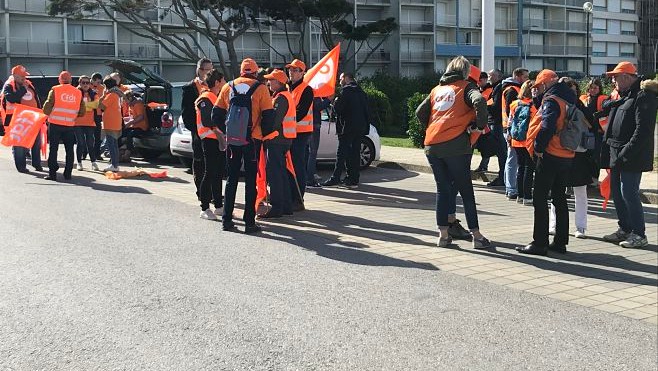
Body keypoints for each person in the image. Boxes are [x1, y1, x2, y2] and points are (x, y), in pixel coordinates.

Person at [415, 56, 492, 249]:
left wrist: (433, 126)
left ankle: (443, 236)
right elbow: (480, 102)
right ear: (466, 71)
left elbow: (419, 112)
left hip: (432, 144)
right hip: (456, 145)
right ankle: (477, 236)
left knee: (443, 190)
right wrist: (479, 126)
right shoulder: (466, 87)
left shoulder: (437, 90)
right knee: (466, 191)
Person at [212, 58, 274, 233]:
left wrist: (225, 131)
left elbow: (216, 114)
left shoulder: (228, 87)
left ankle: (227, 220)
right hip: (253, 140)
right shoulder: (261, 89)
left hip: (233, 140)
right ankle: (249, 222)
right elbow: (269, 117)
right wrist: (264, 135)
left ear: (241, 71)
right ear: (255, 72)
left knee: (231, 179)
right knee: (250, 181)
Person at [517, 69, 576, 256]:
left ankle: (539, 243)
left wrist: (539, 149)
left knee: (540, 198)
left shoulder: (552, 100)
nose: (538, 90)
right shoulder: (570, 98)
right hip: (567, 153)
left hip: (551, 153)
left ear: (545, 84)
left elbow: (547, 125)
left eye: (539, 86)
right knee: (559, 198)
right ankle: (560, 242)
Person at [601, 62, 657, 248]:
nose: (613, 81)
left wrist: (624, 153)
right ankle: (625, 228)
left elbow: (643, 131)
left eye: (615, 77)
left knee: (628, 193)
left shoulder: (644, 96)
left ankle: (639, 234)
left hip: (631, 155)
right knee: (617, 193)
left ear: (626, 77)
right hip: (617, 152)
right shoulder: (625, 95)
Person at [549, 77, 597, 239]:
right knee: (557, 191)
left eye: (574, 91)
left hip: (579, 155)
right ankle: (554, 225)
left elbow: (593, 127)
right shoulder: (554, 105)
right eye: (567, 90)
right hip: (559, 152)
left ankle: (581, 227)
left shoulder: (582, 108)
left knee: (580, 192)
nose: (571, 94)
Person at [322, 73, 370, 188]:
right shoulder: (361, 92)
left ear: (346, 78)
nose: (339, 82)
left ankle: (335, 178)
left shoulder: (345, 92)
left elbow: (338, 109)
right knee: (354, 153)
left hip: (346, 128)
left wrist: (334, 102)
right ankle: (353, 179)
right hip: (359, 128)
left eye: (340, 79)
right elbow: (367, 111)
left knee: (342, 153)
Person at [259, 69, 296, 218]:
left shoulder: (281, 98)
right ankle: (286, 206)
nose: (268, 82)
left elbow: (274, 121)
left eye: (271, 80)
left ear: (279, 82)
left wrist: (262, 133)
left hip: (277, 139)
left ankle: (277, 207)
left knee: (275, 174)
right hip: (282, 139)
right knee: (281, 173)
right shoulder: (283, 96)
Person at [195, 69, 226, 220]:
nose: (225, 83)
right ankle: (204, 207)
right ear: (218, 82)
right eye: (223, 80)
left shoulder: (215, 97)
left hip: (217, 139)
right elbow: (207, 120)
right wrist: (219, 131)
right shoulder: (206, 97)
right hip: (209, 139)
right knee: (210, 172)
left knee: (218, 172)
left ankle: (218, 205)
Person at [42, 71, 85, 181]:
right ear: (70, 80)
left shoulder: (55, 90)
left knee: (53, 149)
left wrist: (47, 115)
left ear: (59, 80)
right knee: (69, 150)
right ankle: (68, 174)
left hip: (55, 124)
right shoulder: (78, 92)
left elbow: (47, 107)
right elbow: (82, 111)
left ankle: (52, 174)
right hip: (70, 125)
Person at [0, 65, 43, 173]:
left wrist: (40, 113)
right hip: (17, 119)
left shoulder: (28, 83)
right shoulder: (8, 86)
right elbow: (11, 98)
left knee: (36, 141)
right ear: (15, 76)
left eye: (25, 76)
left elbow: (36, 99)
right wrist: (23, 90)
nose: (25, 78)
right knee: (19, 144)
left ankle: (37, 164)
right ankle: (21, 167)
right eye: (22, 76)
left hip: (33, 118)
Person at [286, 59, 314, 209]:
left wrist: (282, 120)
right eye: (290, 69)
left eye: (295, 70)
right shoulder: (287, 88)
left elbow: (301, 112)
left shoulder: (306, 89)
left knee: (297, 166)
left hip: (301, 134)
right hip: (289, 133)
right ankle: (290, 196)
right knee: (289, 166)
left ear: (303, 73)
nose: (291, 72)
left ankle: (298, 199)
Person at [183, 58, 213, 187]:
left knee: (212, 163)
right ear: (199, 70)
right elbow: (186, 113)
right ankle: (201, 191)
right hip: (198, 132)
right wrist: (196, 130)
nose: (208, 72)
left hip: (213, 132)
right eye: (206, 70)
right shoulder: (190, 88)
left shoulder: (215, 85)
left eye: (210, 69)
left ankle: (213, 192)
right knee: (199, 160)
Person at [474, 68, 506, 184]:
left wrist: (483, 105)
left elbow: (496, 105)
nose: (489, 78)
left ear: (498, 77)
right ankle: (501, 176)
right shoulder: (494, 88)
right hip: (492, 122)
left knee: (500, 151)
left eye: (491, 76)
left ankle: (502, 178)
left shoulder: (498, 88)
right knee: (496, 150)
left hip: (496, 123)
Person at [501, 68, 529, 199]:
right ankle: (511, 188)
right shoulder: (512, 90)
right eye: (525, 76)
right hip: (511, 130)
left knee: (513, 159)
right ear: (517, 76)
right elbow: (509, 112)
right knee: (512, 159)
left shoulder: (511, 89)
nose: (527, 79)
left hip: (511, 129)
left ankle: (511, 187)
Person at [508, 80, 536, 206]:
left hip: (516, 140)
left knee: (520, 168)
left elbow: (510, 121)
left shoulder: (514, 104)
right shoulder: (534, 105)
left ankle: (519, 195)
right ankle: (527, 196)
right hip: (529, 140)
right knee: (529, 168)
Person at [580, 78, 608, 185]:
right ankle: (587, 177)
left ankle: (594, 178)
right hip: (585, 131)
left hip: (597, 132)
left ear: (599, 89)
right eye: (591, 88)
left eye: (595, 88)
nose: (593, 90)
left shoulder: (603, 99)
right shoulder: (584, 99)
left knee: (595, 156)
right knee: (586, 155)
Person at [74, 75, 100, 171]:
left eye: (87, 83)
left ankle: (93, 162)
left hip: (90, 123)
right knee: (80, 143)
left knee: (90, 143)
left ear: (90, 83)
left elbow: (96, 104)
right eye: (83, 82)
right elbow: (75, 105)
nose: (85, 84)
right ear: (79, 83)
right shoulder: (75, 93)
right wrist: (89, 106)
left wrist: (83, 106)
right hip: (77, 122)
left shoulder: (93, 93)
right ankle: (79, 162)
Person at [98, 76, 123, 172]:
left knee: (111, 145)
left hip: (110, 123)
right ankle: (115, 163)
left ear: (106, 86)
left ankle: (114, 165)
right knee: (114, 144)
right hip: (116, 122)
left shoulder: (111, 95)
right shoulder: (117, 95)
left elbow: (101, 106)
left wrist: (102, 96)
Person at [307, 96, 331, 187]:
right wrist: (328, 100)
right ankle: (310, 179)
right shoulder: (314, 92)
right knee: (312, 152)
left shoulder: (307, 90)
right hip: (314, 124)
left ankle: (309, 175)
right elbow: (318, 106)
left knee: (308, 152)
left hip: (309, 124)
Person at [122, 91, 149, 159]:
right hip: (135, 126)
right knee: (122, 132)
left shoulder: (138, 104)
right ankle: (120, 150)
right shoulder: (131, 105)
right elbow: (132, 117)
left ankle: (128, 153)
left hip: (142, 127)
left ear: (130, 98)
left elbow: (140, 117)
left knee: (130, 134)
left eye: (126, 99)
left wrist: (130, 123)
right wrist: (122, 119)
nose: (125, 101)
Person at [90, 72, 105, 160]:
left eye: (100, 82)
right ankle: (84, 153)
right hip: (88, 114)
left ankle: (97, 153)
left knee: (97, 135)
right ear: (93, 80)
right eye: (98, 82)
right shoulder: (86, 86)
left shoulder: (102, 88)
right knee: (87, 135)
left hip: (98, 114)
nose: (99, 84)